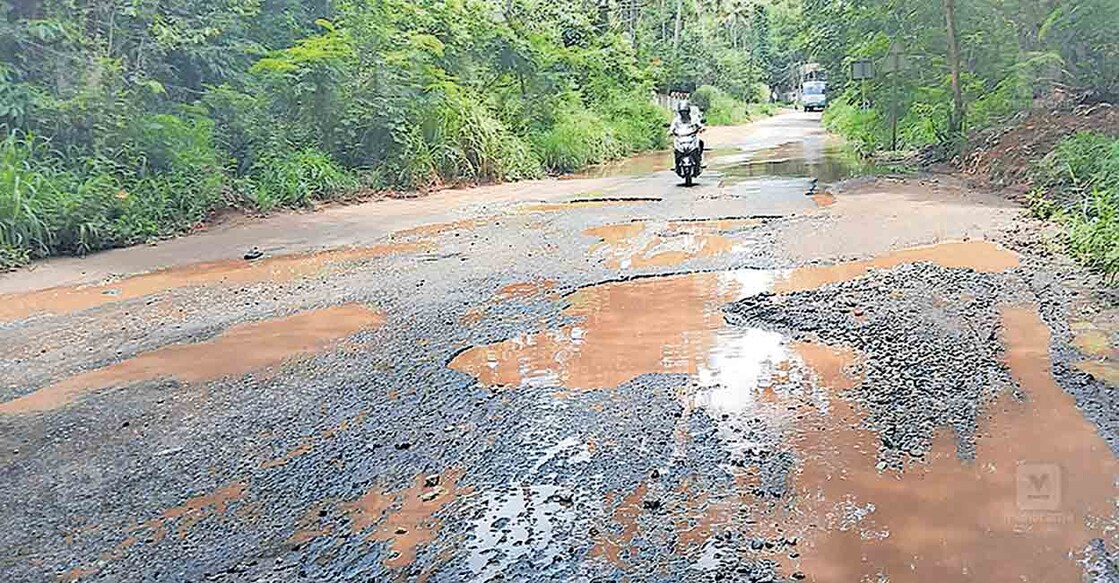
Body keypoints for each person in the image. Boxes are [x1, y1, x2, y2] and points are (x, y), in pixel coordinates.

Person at [669, 100, 705, 167]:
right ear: (679, 112)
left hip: (691, 137)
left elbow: (700, 125)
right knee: (674, 147)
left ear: (688, 111)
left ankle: (701, 160)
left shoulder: (694, 119)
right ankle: (675, 163)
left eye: (685, 112)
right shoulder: (676, 120)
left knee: (701, 142)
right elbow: (672, 127)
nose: (684, 114)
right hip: (680, 138)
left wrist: (701, 128)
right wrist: (670, 132)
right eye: (682, 112)